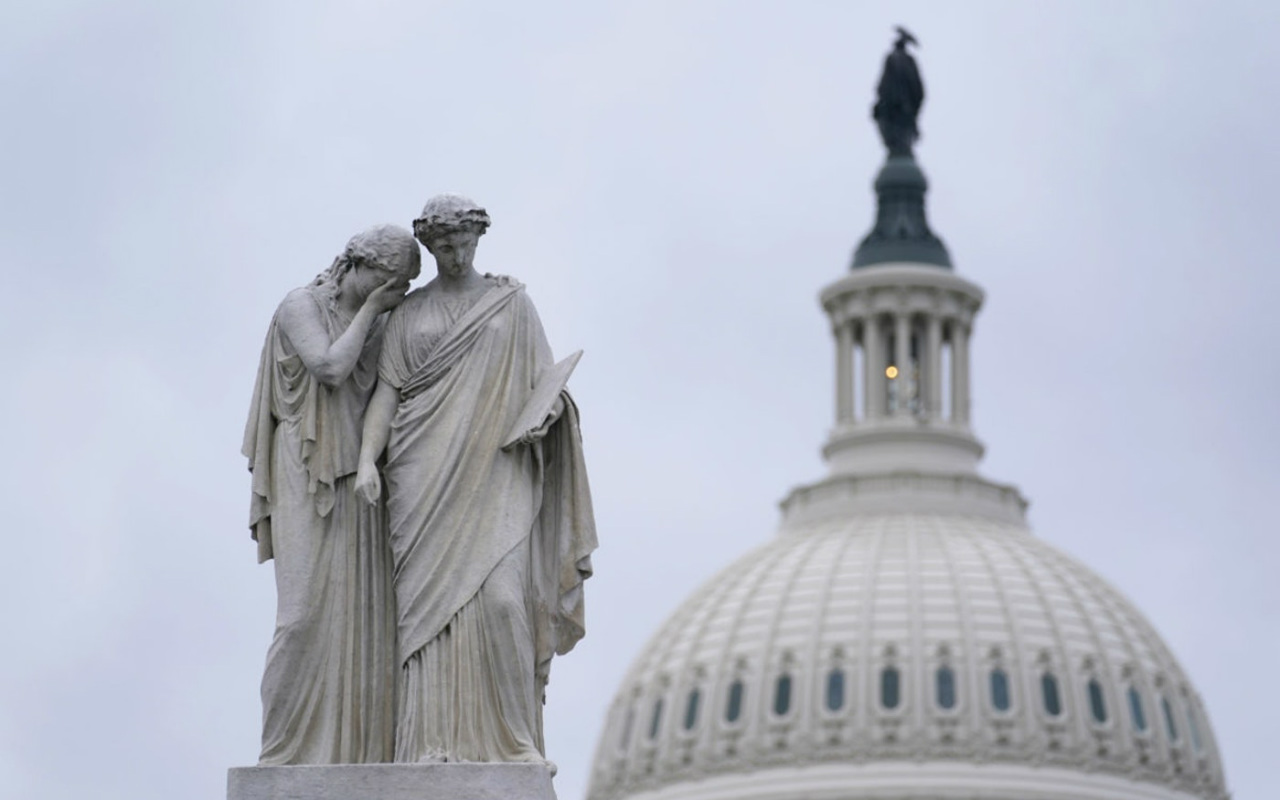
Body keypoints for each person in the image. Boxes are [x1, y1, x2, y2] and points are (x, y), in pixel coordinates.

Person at [355, 195, 596, 767]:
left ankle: (514, 742)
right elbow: (386, 395)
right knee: (425, 618)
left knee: (503, 604)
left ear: (479, 240)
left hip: (497, 471)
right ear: (430, 248)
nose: (456, 254)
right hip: (421, 477)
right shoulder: (408, 314)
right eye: (443, 247)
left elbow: (545, 384)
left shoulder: (512, 306)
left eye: (464, 243)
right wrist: (367, 460)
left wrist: (551, 412)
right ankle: (427, 745)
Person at [242, 224, 421, 764]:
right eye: (389, 281)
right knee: (300, 617)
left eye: (405, 287)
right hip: (304, 468)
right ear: (356, 265)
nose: (396, 295)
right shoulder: (301, 305)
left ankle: (358, 755)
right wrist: (373, 311)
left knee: (363, 622)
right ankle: (282, 754)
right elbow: (329, 368)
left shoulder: (389, 320)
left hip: (361, 481)